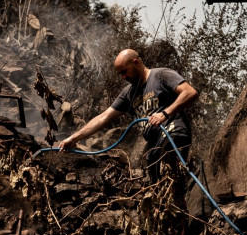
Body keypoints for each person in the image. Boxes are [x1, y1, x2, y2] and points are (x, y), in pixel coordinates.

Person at [58, 49, 198, 185]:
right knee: (159, 192)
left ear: (136, 62)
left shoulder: (161, 75)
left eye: (124, 71)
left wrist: (164, 114)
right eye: (120, 74)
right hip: (154, 146)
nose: (123, 77)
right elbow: (103, 117)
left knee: (172, 182)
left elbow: (190, 92)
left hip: (172, 134)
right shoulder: (128, 94)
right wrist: (74, 138)